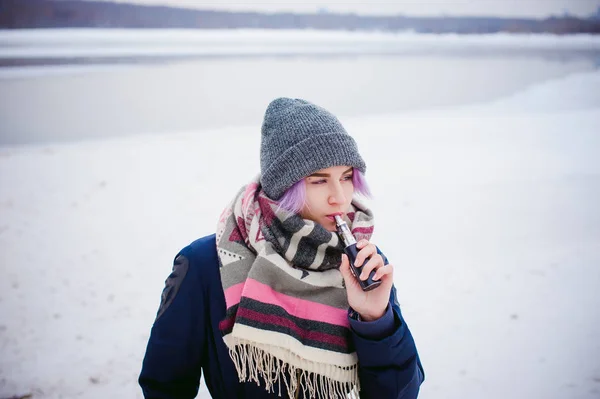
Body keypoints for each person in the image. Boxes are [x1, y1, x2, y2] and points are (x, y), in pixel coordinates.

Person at [139, 98, 424, 399]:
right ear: (284, 187)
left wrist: (376, 320)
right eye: (318, 181)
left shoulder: (362, 264)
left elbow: (400, 394)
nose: (339, 198)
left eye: (346, 177)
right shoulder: (205, 264)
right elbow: (164, 387)